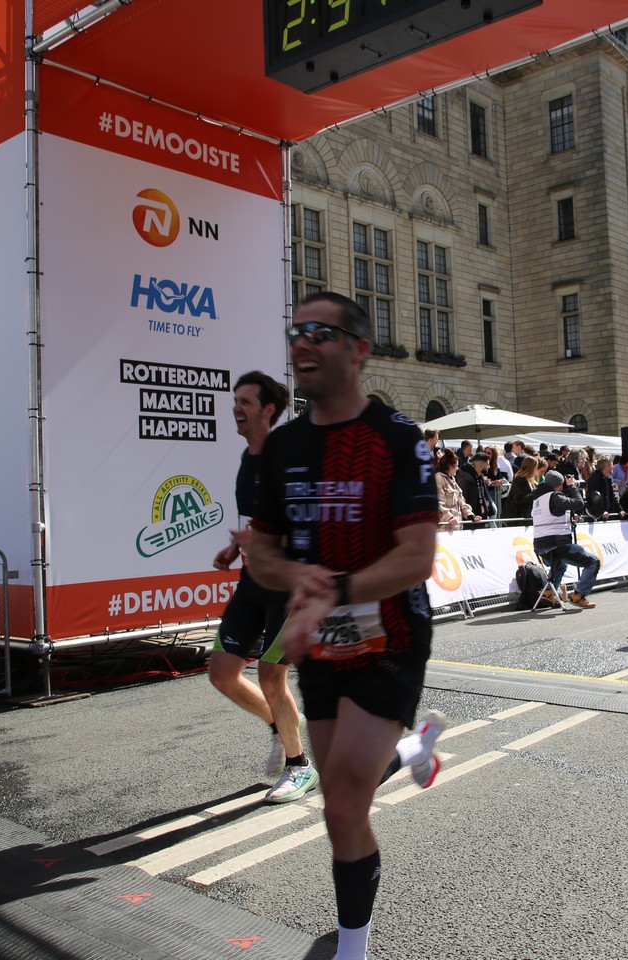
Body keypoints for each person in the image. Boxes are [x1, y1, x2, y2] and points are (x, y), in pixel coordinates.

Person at [246, 292, 445, 960]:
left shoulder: (397, 438)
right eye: (296, 330)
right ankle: (413, 751)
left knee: (342, 800)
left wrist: (331, 591)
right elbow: (262, 552)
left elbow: (416, 557)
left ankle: (352, 949)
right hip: (319, 640)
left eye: (319, 332)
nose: (302, 342)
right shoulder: (283, 447)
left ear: (359, 349)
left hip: (391, 633)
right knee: (341, 796)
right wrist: (294, 578)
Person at [209, 372, 317, 804]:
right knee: (222, 675)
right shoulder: (248, 459)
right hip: (252, 582)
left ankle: (300, 766)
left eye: (245, 402)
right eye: (235, 400)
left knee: (272, 677)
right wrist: (235, 548)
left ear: (268, 410)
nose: (236, 407)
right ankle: (280, 724)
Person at [529, 470, 600, 608]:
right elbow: (578, 503)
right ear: (558, 484)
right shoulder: (555, 496)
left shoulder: (537, 499)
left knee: (560, 564)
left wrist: (567, 522)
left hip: (540, 546)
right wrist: (572, 486)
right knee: (593, 562)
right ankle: (578, 595)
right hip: (557, 543)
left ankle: (549, 593)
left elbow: (550, 517)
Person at [434, 449, 476, 529]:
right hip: (444, 529)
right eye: (456, 466)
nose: (458, 468)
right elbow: (438, 504)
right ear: (450, 466)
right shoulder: (438, 478)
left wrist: (470, 515)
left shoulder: (452, 480)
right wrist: (449, 518)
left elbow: (461, 502)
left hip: (456, 528)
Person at [501, 454, 540, 521]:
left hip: (528, 515)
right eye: (535, 467)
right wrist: (534, 494)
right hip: (518, 515)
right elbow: (518, 499)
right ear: (531, 468)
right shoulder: (519, 480)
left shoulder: (532, 481)